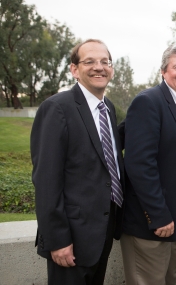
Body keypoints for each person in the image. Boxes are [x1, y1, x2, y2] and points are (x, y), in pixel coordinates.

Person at [31, 39, 124, 285]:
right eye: (89, 61)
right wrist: (58, 240)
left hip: (102, 230)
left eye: (105, 62)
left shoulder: (108, 109)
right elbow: (47, 181)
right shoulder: (57, 108)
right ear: (74, 70)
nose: (99, 67)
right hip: (70, 237)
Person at [120, 43, 176, 285]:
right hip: (152, 219)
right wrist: (157, 215)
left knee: (169, 278)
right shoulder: (148, 102)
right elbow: (138, 164)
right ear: (163, 72)